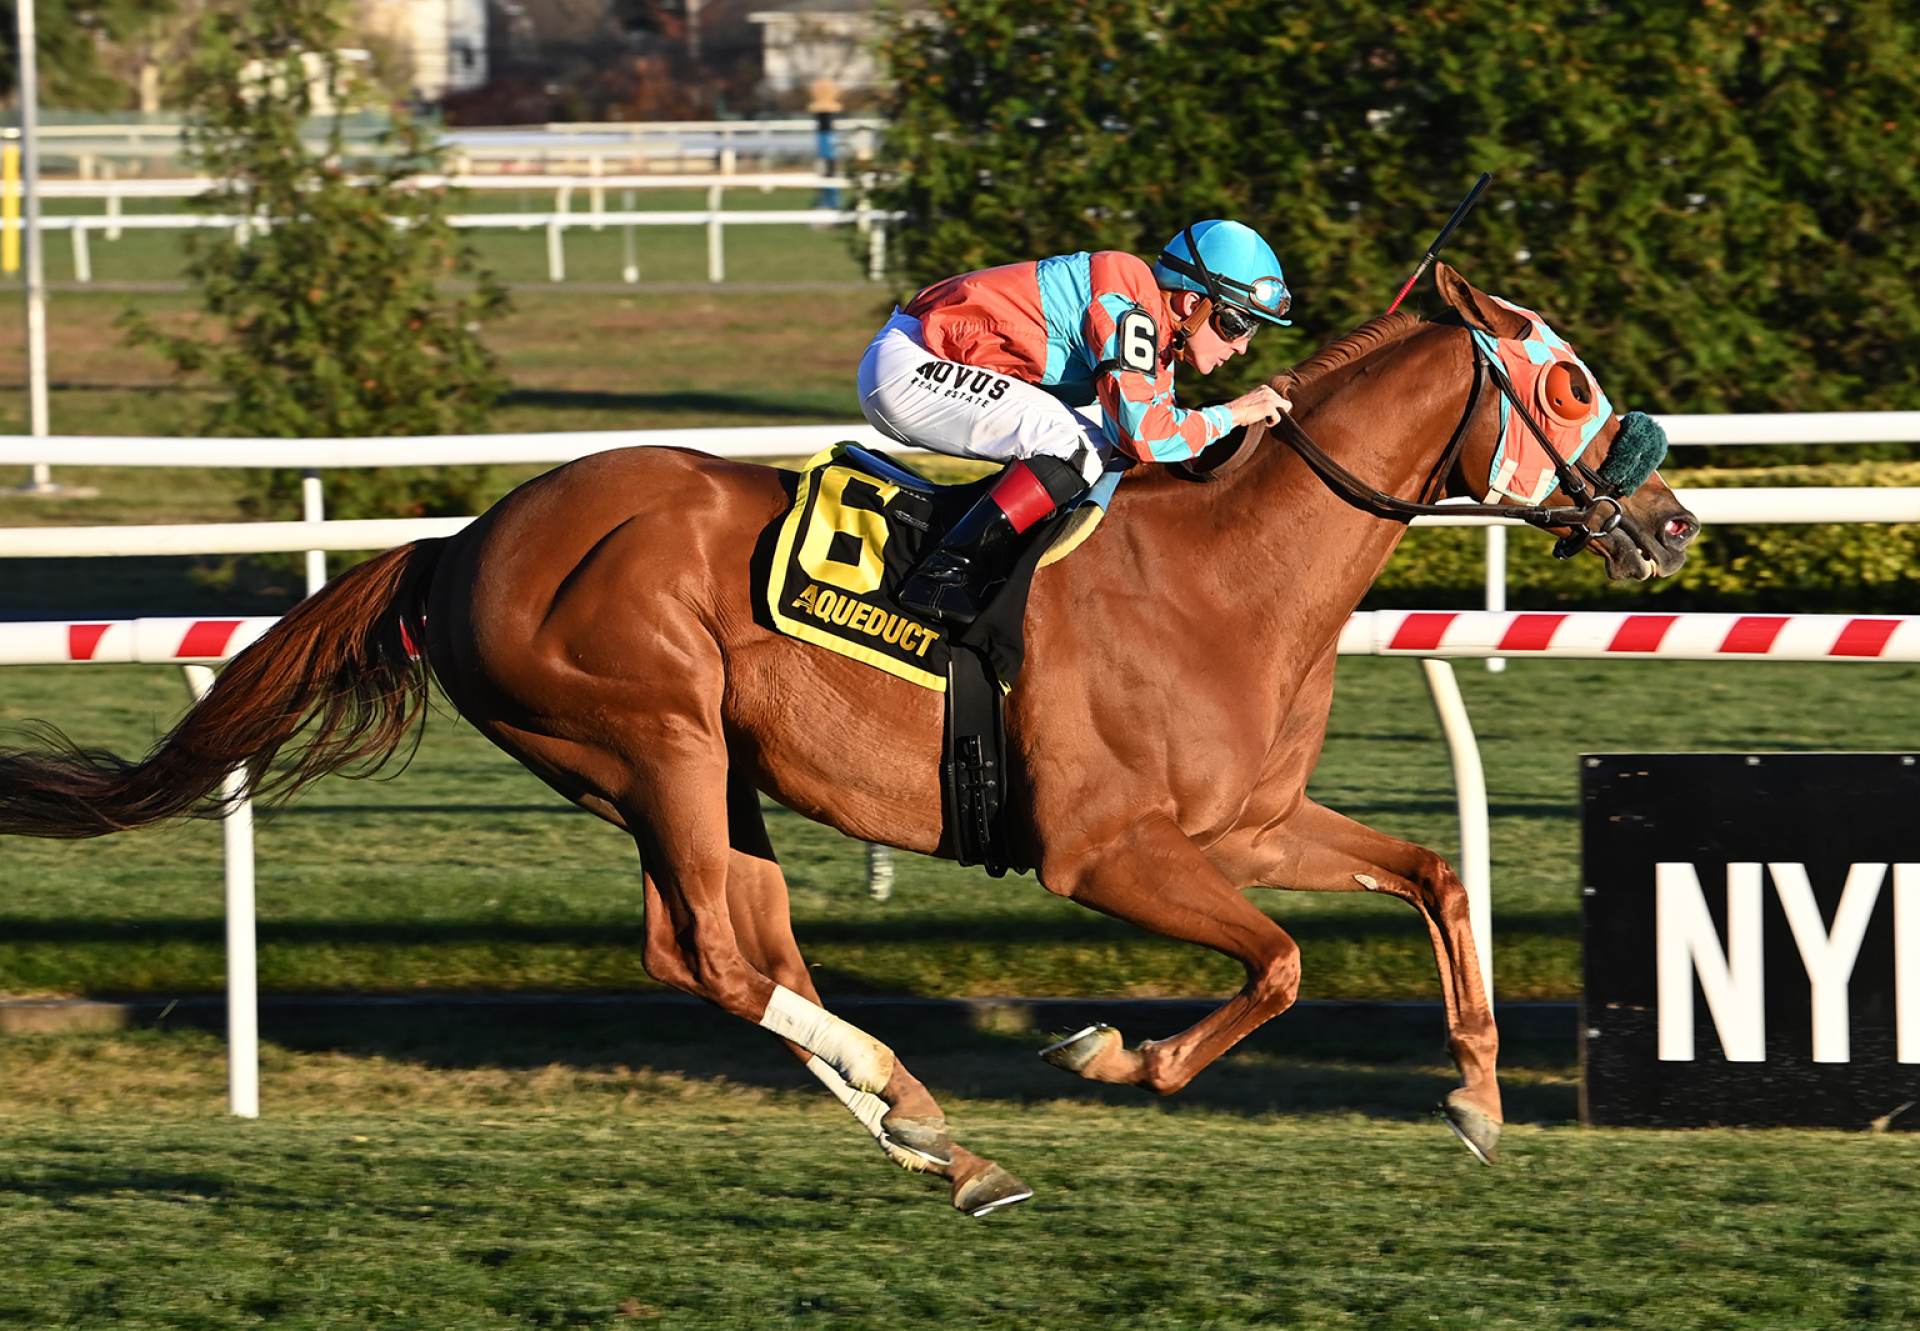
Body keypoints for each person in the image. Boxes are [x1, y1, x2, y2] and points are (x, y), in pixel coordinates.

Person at [857, 219, 1295, 625]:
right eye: (1238, 324)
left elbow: (1140, 440)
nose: (1240, 347)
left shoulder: (1154, 332)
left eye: (1252, 332)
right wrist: (1233, 413)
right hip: (910, 364)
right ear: (1191, 302)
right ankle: (945, 573)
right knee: (1074, 444)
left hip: (921, 360)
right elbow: (1149, 436)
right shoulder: (1129, 313)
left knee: (1096, 446)